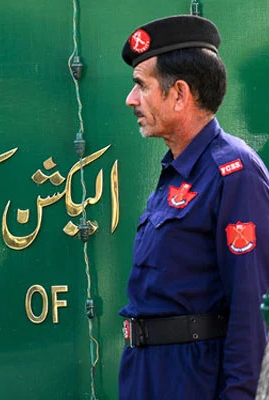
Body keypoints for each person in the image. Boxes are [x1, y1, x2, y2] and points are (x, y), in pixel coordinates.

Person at [118, 15, 269, 399]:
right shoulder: (177, 173)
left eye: (141, 86)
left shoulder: (234, 172)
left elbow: (251, 307)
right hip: (147, 376)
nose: (131, 99)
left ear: (180, 94)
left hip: (193, 379)